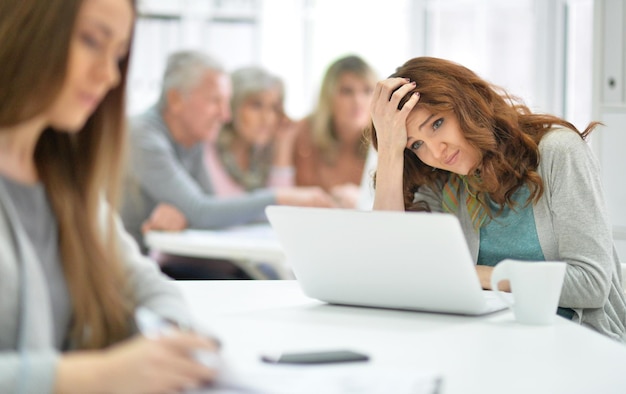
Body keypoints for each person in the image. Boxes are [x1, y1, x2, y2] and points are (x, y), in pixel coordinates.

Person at [0, 0, 219, 393]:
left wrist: (170, 342)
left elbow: (144, 283)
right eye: (90, 41)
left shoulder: (66, 181)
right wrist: (94, 377)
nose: (109, 75)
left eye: (118, 54)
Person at [369, 56, 626, 341]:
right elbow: (387, 267)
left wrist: (481, 276)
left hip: (579, 341)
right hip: (488, 340)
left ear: (467, 105)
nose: (436, 151)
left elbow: (592, 285)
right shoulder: (443, 180)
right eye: (416, 144)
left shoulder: (558, 152)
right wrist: (390, 151)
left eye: (437, 123)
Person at [121, 51, 333, 279]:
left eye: (226, 102)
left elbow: (212, 209)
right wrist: (280, 198)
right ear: (176, 100)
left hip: (147, 266)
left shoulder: (193, 139)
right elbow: (204, 212)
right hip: (124, 271)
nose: (225, 115)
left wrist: (188, 213)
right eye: (215, 101)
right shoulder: (142, 137)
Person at [293, 54, 378, 208]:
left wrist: (364, 200)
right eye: (347, 91)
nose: (358, 101)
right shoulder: (305, 131)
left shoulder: (384, 140)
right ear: (328, 96)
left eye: (367, 91)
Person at [204, 66, 297, 196]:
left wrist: (283, 146)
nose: (267, 119)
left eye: (274, 108)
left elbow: (281, 208)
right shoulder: (207, 149)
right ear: (232, 104)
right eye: (256, 106)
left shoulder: (264, 155)